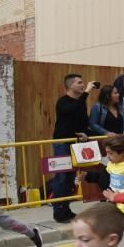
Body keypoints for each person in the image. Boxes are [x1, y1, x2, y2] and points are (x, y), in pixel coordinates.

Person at [51, 74, 97, 223]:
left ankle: (66, 208)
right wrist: (87, 93)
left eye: (83, 83)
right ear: (70, 86)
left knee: (71, 178)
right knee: (62, 176)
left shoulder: (80, 102)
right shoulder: (63, 102)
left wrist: (86, 134)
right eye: (79, 83)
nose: (83, 85)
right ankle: (58, 210)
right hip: (62, 143)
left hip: (75, 143)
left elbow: (82, 122)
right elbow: (71, 110)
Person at [89, 134, 124, 231]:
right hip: (114, 202)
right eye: (107, 153)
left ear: (122, 152)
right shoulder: (111, 164)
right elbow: (102, 177)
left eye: (110, 153)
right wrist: (87, 175)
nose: (107, 156)